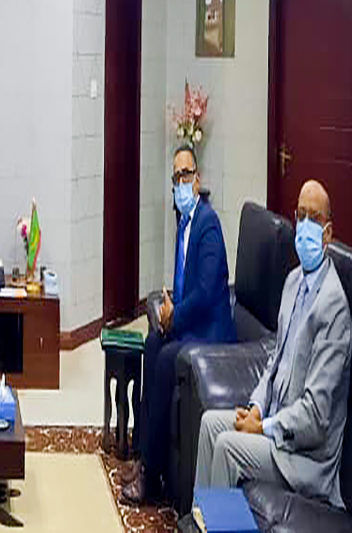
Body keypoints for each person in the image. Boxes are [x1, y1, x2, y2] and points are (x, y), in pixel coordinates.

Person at [194, 180, 351, 508]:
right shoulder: (293, 282)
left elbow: (315, 417)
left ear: (327, 233)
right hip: (274, 425)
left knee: (228, 448)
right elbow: (274, 363)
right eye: (301, 215)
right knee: (210, 425)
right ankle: (201, 521)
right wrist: (256, 408)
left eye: (314, 218)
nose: (304, 225)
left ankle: (219, 526)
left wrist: (263, 428)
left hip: (305, 457)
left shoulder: (334, 307)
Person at [122, 145, 236, 504]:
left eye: (186, 174)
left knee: (166, 359)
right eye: (176, 177)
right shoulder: (184, 223)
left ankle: (152, 477)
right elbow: (185, 287)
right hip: (189, 324)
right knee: (152, 343)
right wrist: (169, 312)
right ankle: (144, 454)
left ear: (197, 180)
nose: (181, 182)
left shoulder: (208, 224)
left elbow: (205, 292)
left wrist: (176, 315)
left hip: (209, 335)